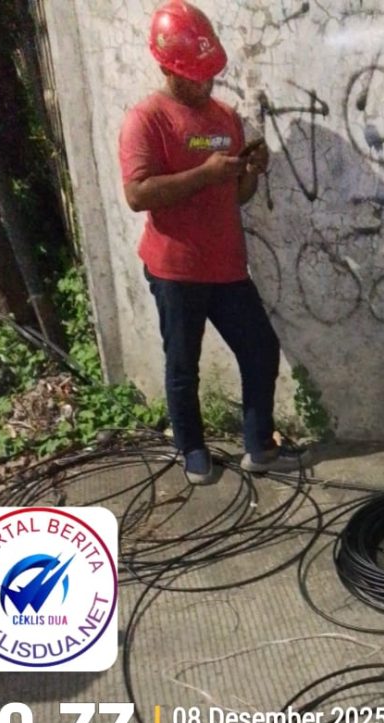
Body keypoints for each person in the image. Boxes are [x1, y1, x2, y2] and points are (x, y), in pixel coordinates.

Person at [118, 0, 303, 483]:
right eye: (194, 76)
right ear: (166, 67)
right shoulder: (146, 119)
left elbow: (236, 195)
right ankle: (192, 449)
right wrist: (204, 173)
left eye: (209, 75)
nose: (205, 84)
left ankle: (259, 446)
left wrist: (251, 172)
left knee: (260, 349)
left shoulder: (225, 118)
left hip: (226, 266)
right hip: (175, 269)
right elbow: (137, 194)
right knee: (183, 365)